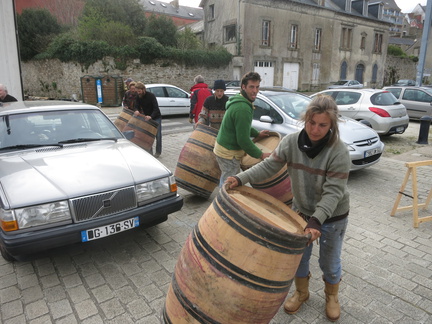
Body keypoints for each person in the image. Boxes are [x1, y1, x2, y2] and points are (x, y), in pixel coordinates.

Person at [226, 94, 350, 322]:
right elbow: (268, 166)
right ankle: (302, 292)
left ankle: (332, 297)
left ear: (332, 125)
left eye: (323, 125)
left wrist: (317, 220)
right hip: (301, 212)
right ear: (305, 119)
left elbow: (334, 193)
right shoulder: (291, 142)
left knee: (329, 262)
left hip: (332, 216)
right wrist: (240, 179)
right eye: (311, 123)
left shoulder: (339, 152)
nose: (315, 129)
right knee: (298, 258)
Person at [213, 71, 270, 187]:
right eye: (251, 87)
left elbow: (243, 126)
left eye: (257, 87)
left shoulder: (240, 99)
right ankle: (223, 203)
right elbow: (243, 140)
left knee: (226, 178)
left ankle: (222, 199)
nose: (255, 91)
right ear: (243, 87)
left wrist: (257, 134)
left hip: (223, 148)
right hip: (228, 153)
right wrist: (261, 155)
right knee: (229, 184)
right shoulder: (242, 108)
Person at [134, 82, 162, 157]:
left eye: (139, 91)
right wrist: (136, 110)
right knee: (148, 136)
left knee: (158, 135)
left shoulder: (151, 96)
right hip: (146, 118)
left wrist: (151, 116)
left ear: (143, 89)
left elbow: (156, 108)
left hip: (156, 117)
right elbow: (136, 106)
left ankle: (158, 152)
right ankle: (150, 152)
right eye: (137, 91)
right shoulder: (138, 96)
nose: (138, 93)